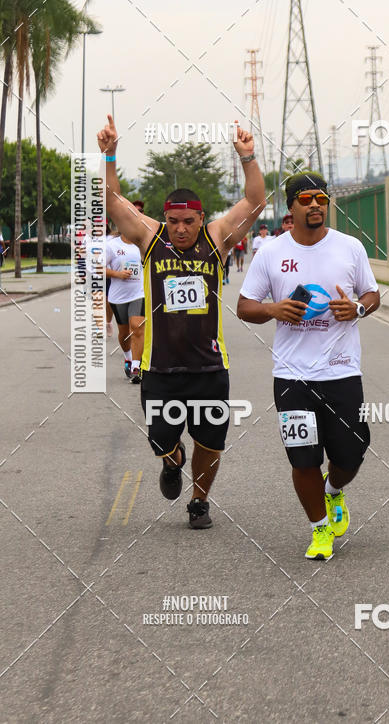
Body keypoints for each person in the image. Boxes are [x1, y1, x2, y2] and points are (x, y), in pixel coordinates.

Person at [97, 114, 265, 529]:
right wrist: (110, 156)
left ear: (200, 218)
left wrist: (248, 158)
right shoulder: (150, 238)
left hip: (208, 367)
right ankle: (172, 462)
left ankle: (199, 502)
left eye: (189, 221)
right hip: (160, 369)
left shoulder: (216, 238)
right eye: (174, 221)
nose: (181, 229)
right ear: (165, 219)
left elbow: (255, 202)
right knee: (162, 441)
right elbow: (113, 202)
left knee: (210, 443)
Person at [237, 170, 380, 560]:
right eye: (306, 199)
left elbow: (372, 294)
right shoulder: (271, 253)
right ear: (291, 206)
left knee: (351, 453)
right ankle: (319, 529)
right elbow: (244, 306)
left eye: (321, 198)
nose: (315, 204)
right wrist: (273, 309)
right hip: (292, 376)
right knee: (303, 458)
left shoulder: (349, 247)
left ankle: (333, 491)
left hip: (342, 370)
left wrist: (358, 308)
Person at [105, 233, 145, 381]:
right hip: (118, 296)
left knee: (137, 327)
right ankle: (128, 357)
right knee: (124, 332)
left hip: (139, 293)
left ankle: (136, 367)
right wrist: (118, 274)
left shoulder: (143, 243)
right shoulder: (112, 245)